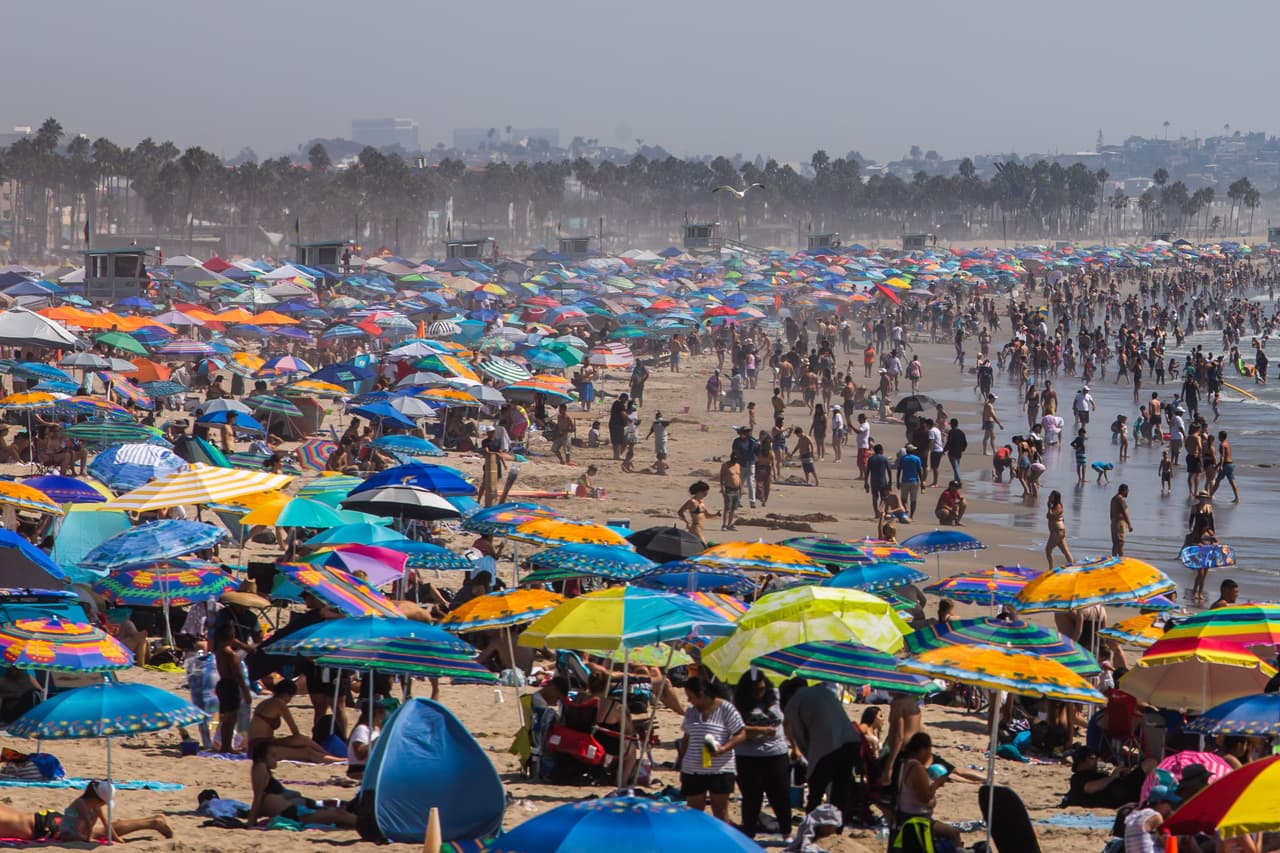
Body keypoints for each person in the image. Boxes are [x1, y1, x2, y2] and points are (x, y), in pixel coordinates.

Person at [780, 677, 862, 821]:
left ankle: (811, 826)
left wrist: (806, 756)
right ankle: (837, 827)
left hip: (827, 746)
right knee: (840, 790)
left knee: (816, 791)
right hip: (851, 742)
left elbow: (798, 734)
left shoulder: (794, 701)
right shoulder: (825, 692)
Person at [9, 780, 173, 842]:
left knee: (99, 832)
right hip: (43, 818)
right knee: (100, 830)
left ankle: (153, 822)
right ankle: (151, 821)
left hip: (44, 827)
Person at [732, 671, 792, 839]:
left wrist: (795, 746)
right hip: (748, 756)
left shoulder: (776, 696)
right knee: (752, 798)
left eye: (762, 689)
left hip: (777, 753)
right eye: (756, 691)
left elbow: (787, 722)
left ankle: (787, 833)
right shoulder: (737, 703)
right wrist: (762, 730)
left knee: (781, 795)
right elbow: (736, 730)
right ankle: (748, 835)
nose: (760, 694)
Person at [679, 677, 746, 822]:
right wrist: (682, 763)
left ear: (701, 693)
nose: (689, 701)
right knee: (694, 813)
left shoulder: (725, 708)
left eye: (691, 697)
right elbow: (686, 737)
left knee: (720, 813)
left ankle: (722, 843)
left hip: (720, 769)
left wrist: (723, 748)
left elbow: (741, 733)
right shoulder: (691, 711)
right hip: (693, 768)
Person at [249, 743, 357, 827]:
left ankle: (363, 823)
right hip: (296, 815)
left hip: (297, 811)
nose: (276, 758)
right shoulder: (260, 767)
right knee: (340, 815)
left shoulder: (263, 768)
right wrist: (251, 823)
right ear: (261, 758)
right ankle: (367, 826)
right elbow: (257, 797)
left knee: (341, 813)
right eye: (272, 755)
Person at [891, 732, 965, 852]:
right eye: (928, 751)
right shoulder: (916, 768)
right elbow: (924, 798)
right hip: (916, 819)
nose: (929, 756)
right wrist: (937, 784)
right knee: (954, 834)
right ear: (922, 750)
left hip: (903, 814)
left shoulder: (904, 763)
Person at [246, 680, 344, 764]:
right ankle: (334, 757)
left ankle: (329, 755)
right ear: (286, 694)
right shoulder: (279, 703)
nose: (289, 700)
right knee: (306, 748)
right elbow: (295, 732)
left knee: (305, 745)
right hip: (262, 749)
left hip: (256, 746)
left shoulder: (264, 703)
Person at [1066, 746, 1151, 809]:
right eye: (1092, 757)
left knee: (1149, 764)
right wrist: (1113, 777)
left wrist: (1121, 775)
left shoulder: (1095, 773)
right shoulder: (1077, 778)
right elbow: (1090, 787)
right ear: (1081, 761)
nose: (1097, 760)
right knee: (1150, 763)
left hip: (1121, 792)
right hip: (1119, 796)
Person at [347, 697, 394, 780]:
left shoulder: (376, 729)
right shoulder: (362, 729)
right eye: (381, 712)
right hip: (360, 769)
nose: (383, 715)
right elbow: (360, 754)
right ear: (375, 713)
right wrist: (377, 740)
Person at [1123, 785, 1179, 853]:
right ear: (1159, 802)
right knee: (1186, 840)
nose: (1171, 808)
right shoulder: (1155, 816)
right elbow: (1168, 843)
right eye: (1170, 804)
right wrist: (1171, 820)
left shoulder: (1135, 815)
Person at [678, 481, 719, 545]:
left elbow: (707, 516)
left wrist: (716, 514)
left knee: (695, 547)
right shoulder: (692, 502)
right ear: (699, 491)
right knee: (704, 546)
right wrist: (686, 522)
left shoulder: (701, 501)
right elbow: (680, 512)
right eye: (705, 492)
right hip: (695, 528)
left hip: (700, 529)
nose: (706, 494)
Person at [1045, 490, 1073, 569]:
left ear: (1056, 498)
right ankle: (1072, 566)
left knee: (1048, 550)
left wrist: (1049, 508)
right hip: (1056, 532)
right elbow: (1049, 516)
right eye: (1050, 495)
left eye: (1051, 496)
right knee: (1065, 551)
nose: (1049, 496)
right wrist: (1049, 507)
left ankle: (1050, 568)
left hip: (1058, 532)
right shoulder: (1053, 506)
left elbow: (1051, 516)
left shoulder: (1058, 506)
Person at [896, 444, 923, 517]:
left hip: (905, 481)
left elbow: (899, 470)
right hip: (914, 481)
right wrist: (922, 483)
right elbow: (919, 471)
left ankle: (905, 510)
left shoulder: (903, 458)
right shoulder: (917, 458)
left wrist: (898, 482)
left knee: (903, 499)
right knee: (913, 500)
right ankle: (911, 515)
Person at [719, 454, 742, 531]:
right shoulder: (725, 465)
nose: (734, 461)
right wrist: (722, 488)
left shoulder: (738, 465)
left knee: (733, 508)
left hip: (737, 490)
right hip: (729, 489)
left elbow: (739, 477)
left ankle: (730, 524)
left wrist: (741, 489)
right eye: (733, 459)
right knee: (727, 508)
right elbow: (722, 477)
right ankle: (724, 525)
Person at [1110, 483, 1133, 557]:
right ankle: (1121, 560)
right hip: (1119, 523)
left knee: (1115, 543)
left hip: (1114, 523)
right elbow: (1125, 513)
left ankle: (1114, 558)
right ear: (1124, 491)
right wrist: (1129, 525)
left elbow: (1111, 513)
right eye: (1127, 491)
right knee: (1120, 543)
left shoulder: (1113, 499)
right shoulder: (1121, 500)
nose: (1128, 493)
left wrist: (1112, 522)